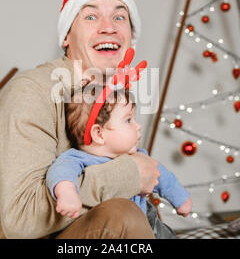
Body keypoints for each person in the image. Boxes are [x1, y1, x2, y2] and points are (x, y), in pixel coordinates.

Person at [0, 0, 162, 239]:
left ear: (131, 35)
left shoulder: (113, 94)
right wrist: (128, 174)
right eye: (91, 16)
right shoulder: (33, 92)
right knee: (122, 215)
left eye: (120, 17)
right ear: (66, 37)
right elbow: (21, 220)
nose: (109, 27)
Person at [46, 83, 192, 224]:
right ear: (99, 134)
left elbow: (163, 176)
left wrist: (180, 199)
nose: (138, 125)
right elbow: (61, 172)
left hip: (143, 227)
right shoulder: (79, 158)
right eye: (128, 120)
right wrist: (67, 193)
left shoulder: (137, 157)